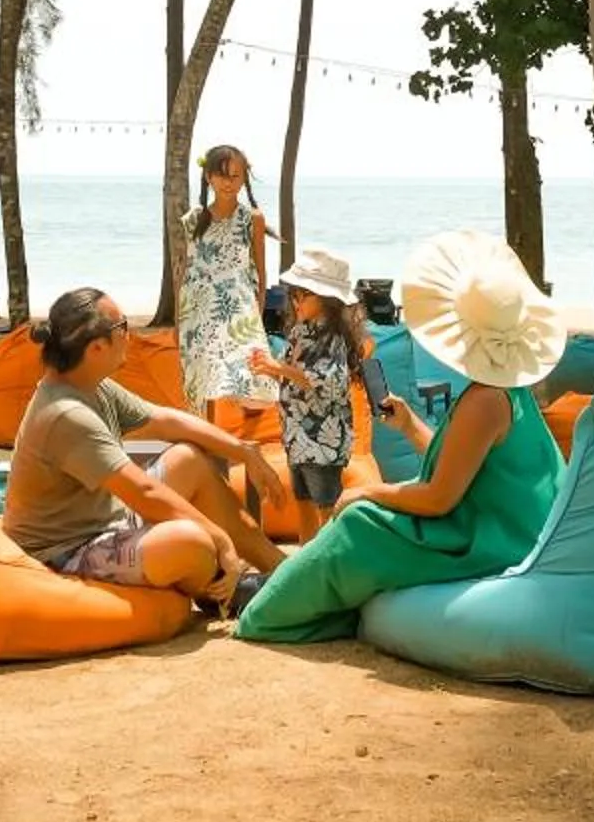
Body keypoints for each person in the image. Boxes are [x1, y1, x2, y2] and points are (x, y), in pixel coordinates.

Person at [233, 231, 566, 645]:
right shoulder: (506, 391)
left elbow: (439, 497)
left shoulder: (484, 401)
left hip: (488, 540)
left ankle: (266, 605)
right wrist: (410, 426)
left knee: (358, 522)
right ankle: (282, 587)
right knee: (354, 514)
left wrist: (370, 494)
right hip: (498, 523)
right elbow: (455, 468)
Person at [3, 287, 288, 616]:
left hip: (107, 522)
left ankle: (280, 569)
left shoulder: (90, 385)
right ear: (96, 347)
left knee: (189, 459)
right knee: (189, 539)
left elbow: (165, 421)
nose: (130, 335)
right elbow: (143, 492)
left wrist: (244, 453)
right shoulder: (65, 414)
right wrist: (220, 540)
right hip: (65, 551)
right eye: (122, 327)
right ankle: (228, 591)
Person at [249, 245, 366, 540]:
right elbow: (292, 378)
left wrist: (277, 369)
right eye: (293, 294)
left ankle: (328, 563)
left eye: (304, 294)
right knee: (302, 502)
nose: (296, 300)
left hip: (323, 443)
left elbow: (327, 380)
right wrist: (271, 373)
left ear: (326, 300)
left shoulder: (333, 337)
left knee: (326, 508)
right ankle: (306, 558)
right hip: (297, 436)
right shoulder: (300, 332)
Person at [178, 145, 275, 444]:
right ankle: (208, 445)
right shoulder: (193, 220)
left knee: (249, 374)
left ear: (244, 178)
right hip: (198, 308)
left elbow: (260, 272)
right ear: (208, 177)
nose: (229, 182)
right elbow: (187, 272)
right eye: (222, 175)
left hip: (239, 309)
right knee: (204, 380)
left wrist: (256, 314)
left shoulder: (252, 219)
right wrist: (178, 320)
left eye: (236, 175)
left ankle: (246, 442)